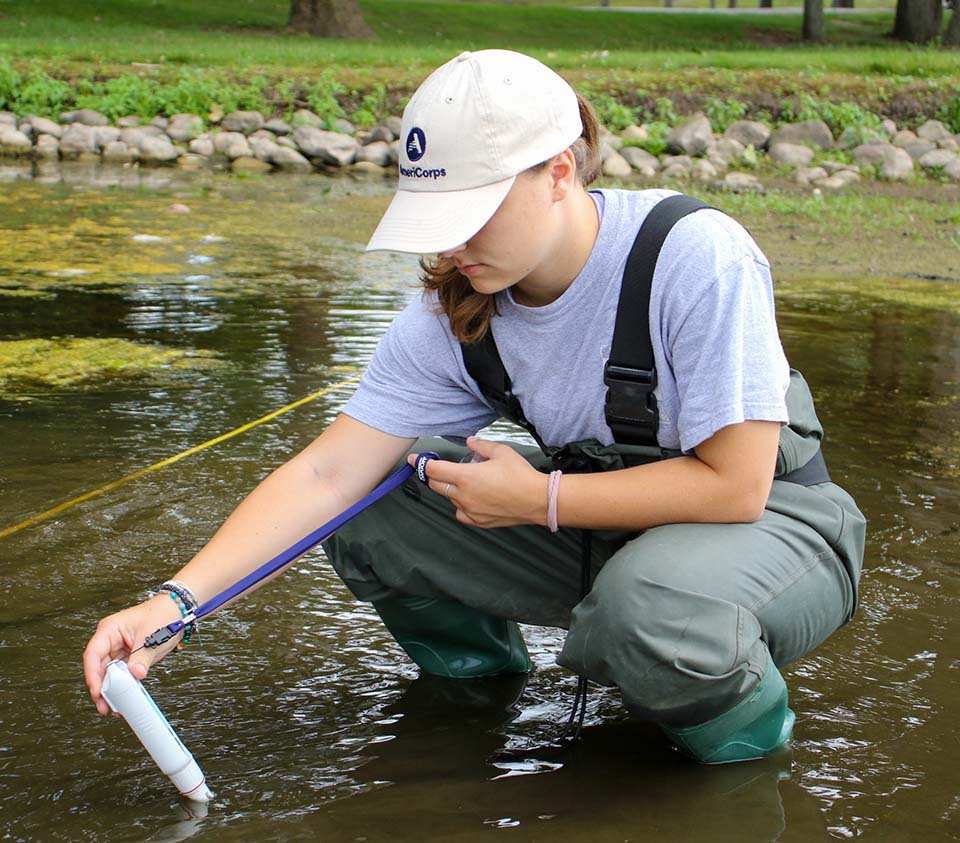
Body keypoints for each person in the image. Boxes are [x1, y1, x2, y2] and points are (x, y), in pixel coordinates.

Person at [84, 49, 866, 764]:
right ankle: (477, 700)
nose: (454, 245)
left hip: (772, 529)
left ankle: (744, 756)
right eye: (438, 218)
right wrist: (174, 605)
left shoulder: (696, 256)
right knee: (375, 504)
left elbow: (738, 485)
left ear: (559, 172)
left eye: (474, 212)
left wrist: (541, 498)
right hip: (607, 533)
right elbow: (328, 475)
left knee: (651, 615)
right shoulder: (457, 312)